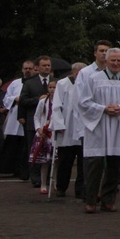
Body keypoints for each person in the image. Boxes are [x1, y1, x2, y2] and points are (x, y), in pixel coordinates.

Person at [79, 48, 120, 214]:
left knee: (115, 164)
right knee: (95, 164)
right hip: (99, 125)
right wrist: (103, 109)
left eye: (119, 61)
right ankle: (91, 200)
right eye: (113, 60)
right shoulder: (94, 79)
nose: (116, 63)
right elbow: (84, 102)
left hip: (117, 126)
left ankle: (108, 200)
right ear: (106, 61)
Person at [51, 62, 87, 198]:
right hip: (67, 128)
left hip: (83, 128)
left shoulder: (87, 84)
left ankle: (81, 189)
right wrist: (59, 124)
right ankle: (61, 187)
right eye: (78, 74)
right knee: (65, 161)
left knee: (83, 162)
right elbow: (56, 106)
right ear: (73, 73)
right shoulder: (62, 84)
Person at [18, 56, 53, 187]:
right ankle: (36, 178)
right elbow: (23, 100)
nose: (47, 67)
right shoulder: (29, 83)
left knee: (50, 150)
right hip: (34, 121)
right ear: (38, 67)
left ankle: (48, 178)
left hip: (51, 122)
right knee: (34, 150)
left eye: (48, 65)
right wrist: (38, 99)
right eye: (44, 65)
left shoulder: (56, 82)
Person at [0, 60, 34, 176]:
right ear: (22, 70)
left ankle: (25, 170)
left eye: (30, 68)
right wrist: (15, 99)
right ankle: (11, 168)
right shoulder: (15, 83)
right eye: (25, 68)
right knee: (13, 145)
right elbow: (6, 99)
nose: (27, 70)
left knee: (26, 145)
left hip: (28, 115)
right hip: (15, 114)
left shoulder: (35, 83)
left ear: (33, 69)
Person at [30, 80, 57, 194]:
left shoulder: (60, 101)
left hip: (55, 134)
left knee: (56, 161)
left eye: (54, 87)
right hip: (44, 134)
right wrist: (38, 129)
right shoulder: (43, 102)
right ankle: (43, 184)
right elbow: (36, 116)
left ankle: (55, 183)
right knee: (45, 162)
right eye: (50, 87)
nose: (52, 89)